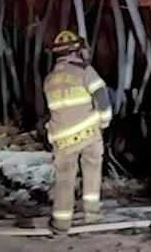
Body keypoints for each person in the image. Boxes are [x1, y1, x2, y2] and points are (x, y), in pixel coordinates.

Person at [42, 30, 112, 234]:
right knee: (91, 171)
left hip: (62, 139)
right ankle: (91, 214)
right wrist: (105, 121)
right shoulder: (85, 71)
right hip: (89, 133)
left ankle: (61, 223)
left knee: (64, 179)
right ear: (77, 51)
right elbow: (102, 96)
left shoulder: (50, 79)